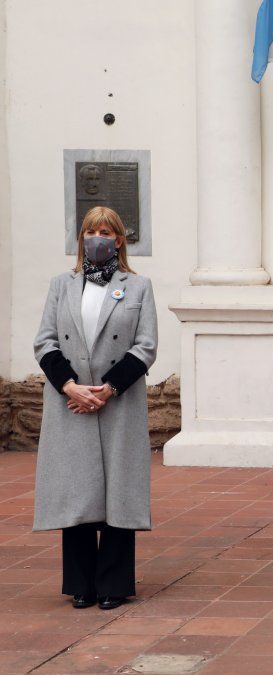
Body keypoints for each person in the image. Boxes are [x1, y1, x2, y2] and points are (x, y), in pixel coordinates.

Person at [33, 206, 158, 611]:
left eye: (105, 232)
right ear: (81, 238)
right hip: (71, 401)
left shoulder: (137, 286)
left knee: (119, 492)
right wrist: (70, 386)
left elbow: (146, 346)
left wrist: (107, 389)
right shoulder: (62, 285)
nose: (97, 238)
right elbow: (45, 341)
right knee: (78, 492)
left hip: (116, 400)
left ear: (119, 239)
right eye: (91, 231)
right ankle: (81, 584)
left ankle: (114, 584)